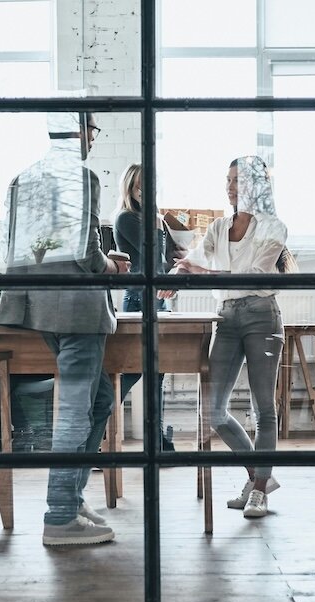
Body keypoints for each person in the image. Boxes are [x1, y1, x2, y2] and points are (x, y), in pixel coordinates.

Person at [0, 112, 130, 546]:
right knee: (75, 408)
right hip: (76, 308)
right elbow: (87, 254)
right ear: (80, 132)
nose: (93, 139)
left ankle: (71, 499)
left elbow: (21, 248)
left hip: (38, 306)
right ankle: (59, 517)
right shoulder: (82, 178)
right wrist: (114, 266)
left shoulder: (22, 179)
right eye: (93, 131)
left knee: (101, 399)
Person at [162, 156, 294, 518]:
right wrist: (176, 275)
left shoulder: (273, 227)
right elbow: (193, 259)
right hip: (225, 317)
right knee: (214, 411)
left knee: (263, 409)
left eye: (238, 180)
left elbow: (254, 274)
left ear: (257, 186)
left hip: (262, 316)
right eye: (228, 180)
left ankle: (260, 492)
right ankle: (258, 477)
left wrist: (200, 272)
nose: (230, 187)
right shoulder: (219, 227)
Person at [112, 163, 186, 452]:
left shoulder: (154, 219)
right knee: (131, 372)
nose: (147, 190)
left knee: (158, 372)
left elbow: (166, 262)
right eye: (141, 185)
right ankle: (100, 431)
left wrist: (182, 260)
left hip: (158, 301)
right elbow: (152, 262)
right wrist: (157, 229)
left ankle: (157, 441)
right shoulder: (126, 219)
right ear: (131, 188)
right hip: (138, 300)